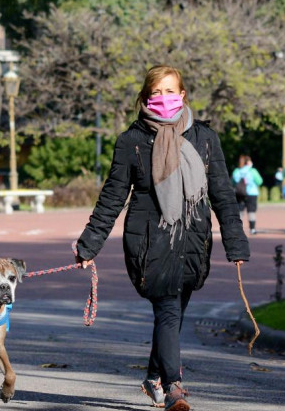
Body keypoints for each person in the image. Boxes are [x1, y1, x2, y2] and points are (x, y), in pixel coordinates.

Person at [74, 65, 249, 411]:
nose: (164, 98)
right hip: (150, 240)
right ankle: (174, 387)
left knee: (174, 313)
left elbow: (223, 194)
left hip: (193, 238)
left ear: (183, 95)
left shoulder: (204, 138)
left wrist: (235, 241)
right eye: (156, 92)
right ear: (144, 98)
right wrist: (89, 243)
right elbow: (112, 196)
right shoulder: (131, 141)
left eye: (171, 91)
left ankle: (153, 376)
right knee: (168, 309)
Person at [231, 155, 263, 234]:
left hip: (239, 193)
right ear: (248, 162)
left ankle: (238, 229)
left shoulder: (237, 171)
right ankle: (252, 229)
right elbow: (259, 181)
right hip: (251, 193)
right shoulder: (252, 171)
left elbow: (232, 182)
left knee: (240, 211)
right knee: (251, 211)